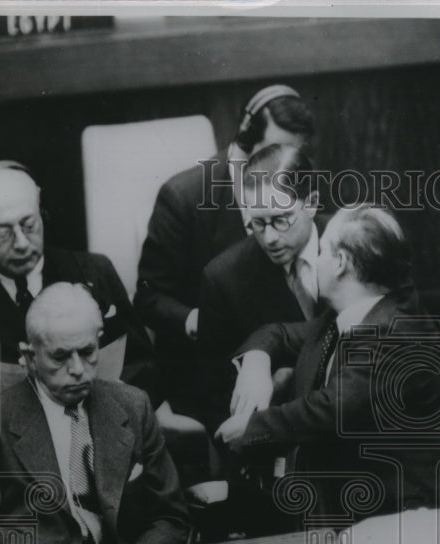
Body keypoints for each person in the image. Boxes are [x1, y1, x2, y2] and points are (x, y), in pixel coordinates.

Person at [215, 205, 440, 521]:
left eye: (322, 251)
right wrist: (256, 364)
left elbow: (330, 409)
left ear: (340, 262)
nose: (315, 260)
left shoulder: (397, 333)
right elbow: (281, 334)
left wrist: (250, 428)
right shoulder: (350, 314)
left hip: (409, 516)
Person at [0, 283, 189, 544]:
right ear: (29, 356)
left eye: (87, 352)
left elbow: (172, 517)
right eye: (60, 356)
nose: (77, 369)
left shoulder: (134, 406)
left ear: (98, 342)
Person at [135, 85, 315, 419]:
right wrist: (200, 321)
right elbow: (148, 298)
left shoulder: (294, 182)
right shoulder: (183, 196)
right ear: (247, 135)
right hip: (209, 368)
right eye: (276, 149)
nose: (286, 165)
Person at [0, 163, 161, 407]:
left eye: (29, 225)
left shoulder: (94, 271)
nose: (20, 243)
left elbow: (143, 365)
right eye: (2, 232)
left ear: (43, 214)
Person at [198, 143, 326, 432]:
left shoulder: (354, 247)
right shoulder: (223, 279)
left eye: (281, 220)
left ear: (312, 202)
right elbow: (214, 397)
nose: (269, 239)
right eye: (258, 223)